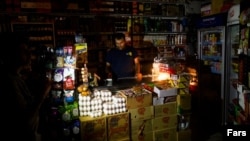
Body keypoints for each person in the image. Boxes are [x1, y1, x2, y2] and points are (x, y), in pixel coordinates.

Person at [0, 32, 52, 141]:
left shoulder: (17, 76)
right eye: (23, 51)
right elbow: (25, 119)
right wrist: (43, 94)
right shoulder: (10, 82)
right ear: (11, 54)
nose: (29, 54)